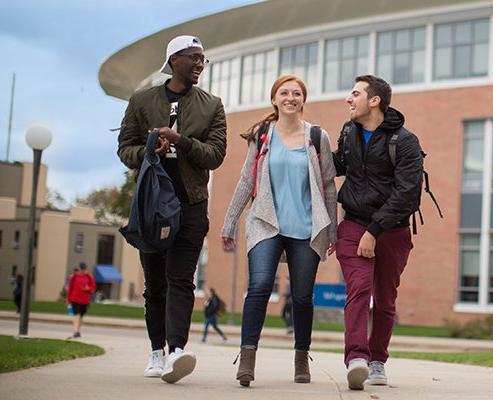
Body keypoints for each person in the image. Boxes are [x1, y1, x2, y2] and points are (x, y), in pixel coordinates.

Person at [118, 35, 227, 383]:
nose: (199, 64)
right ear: (174, 59)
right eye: (193, 57)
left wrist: (181, 141)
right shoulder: (141, 100)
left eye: (202, 59)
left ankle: (177, 351)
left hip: (192, 203)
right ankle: (156, 351)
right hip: (151, 203)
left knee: (181, 278)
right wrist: (151, 148)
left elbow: (216, 155)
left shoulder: (212, 105)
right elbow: (125, 149)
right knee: (155, 284)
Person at [221, 74, 337, 387]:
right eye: (284, 93)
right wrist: (230, 222)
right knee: (259, 286)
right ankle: (247, 356)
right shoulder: (261, 135)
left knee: (302, 297)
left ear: (303, 99)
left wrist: (333, 230)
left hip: (306, 227)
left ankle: (301, 357)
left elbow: (328, 185)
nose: (290, 98)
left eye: (296, 93)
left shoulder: (317, 136)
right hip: (265, 223)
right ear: (274, 99)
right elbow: (247, 179)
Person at [333, 75, 424, 391]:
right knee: (358, 288)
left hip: (392, 231)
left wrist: (375, 231)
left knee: (384, 301)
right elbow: (338, 165)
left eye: (355, 93)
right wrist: (303, 146)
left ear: (374, 101)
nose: (349, 98)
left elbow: (408, 193)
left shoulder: (405, 141)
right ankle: (356, 358)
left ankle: (377, 360)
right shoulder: (349, 132)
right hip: (354, 223)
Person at [66, 263, 95, 339]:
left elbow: (93, 287)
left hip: (85, 300)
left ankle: (78, 331)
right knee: (76, 315)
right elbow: (70, 288)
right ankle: (75, 331)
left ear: (86, 269)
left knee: (81, 316)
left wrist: (88, 288)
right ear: (79, 269)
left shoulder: (89, 277)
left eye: (84, 269)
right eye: (81, 269)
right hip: (74, 299)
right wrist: (68, 299)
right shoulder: (74, 277)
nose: (82, 271)